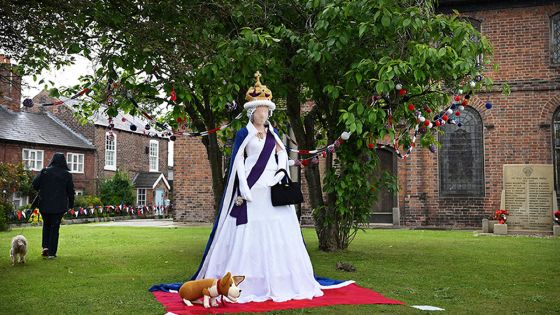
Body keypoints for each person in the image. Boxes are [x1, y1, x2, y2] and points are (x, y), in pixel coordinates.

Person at [190, 72, 326, 303]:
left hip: (272, 189)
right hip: (252, 191)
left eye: (266, 111)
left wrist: (280, 172)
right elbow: (239, 163)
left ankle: (281, 278)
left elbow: (282, 154)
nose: (264, 114)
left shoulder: (272, 132)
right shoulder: (244, 133)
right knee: (248, 233)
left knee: (280, 232)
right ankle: (247, 279)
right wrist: (243, 187)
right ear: (253, 112)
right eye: (261, 111)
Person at [32, 152, 75, 259]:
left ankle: (45, 247)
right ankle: (51, 253)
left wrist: (44, 189)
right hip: (59, 206)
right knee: (54, 228)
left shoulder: (45, 171)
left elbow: (35, 185)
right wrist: (71, 205)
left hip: (44, 204)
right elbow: (71, 191)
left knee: (46, 225)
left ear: (53, 160)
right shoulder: (67, 174)